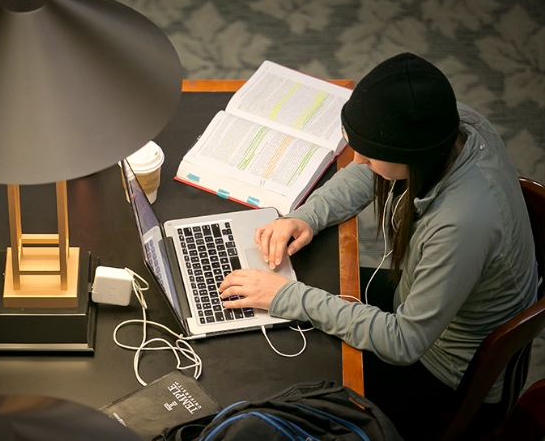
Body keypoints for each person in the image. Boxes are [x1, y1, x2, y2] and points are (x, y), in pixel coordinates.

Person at [218, 53, 539, 438]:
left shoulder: (462, 224)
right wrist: (306, 216)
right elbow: (364, 172)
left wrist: (287, 296)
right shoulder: (452, 124)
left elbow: (404, 342)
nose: (358, 159)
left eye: (369, 156)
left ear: (411, 158)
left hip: (439, 371)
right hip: (422, 301)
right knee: (294, 303)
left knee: (281, 380)